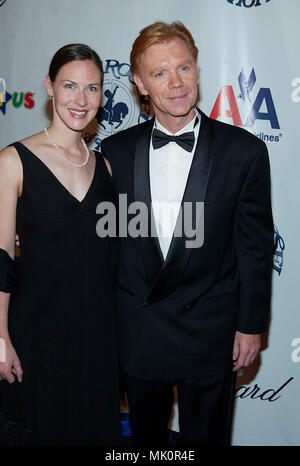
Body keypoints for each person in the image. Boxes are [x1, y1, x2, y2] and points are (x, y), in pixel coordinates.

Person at [101, 21, 274, 446]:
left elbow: (254, 248)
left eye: (183, 68)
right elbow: (105, 241)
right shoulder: (114, 152)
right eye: (159, 73)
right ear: (140, 83)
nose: (175, 83)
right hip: (140, 329)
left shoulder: (245, 151)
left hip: (211, 330)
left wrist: (251, 326)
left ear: (197, 70)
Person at [0, 44, 121, 446]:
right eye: (70, 85)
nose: (81, 100)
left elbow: (112, 252)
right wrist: (0, 336)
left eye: (92, 88)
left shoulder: (105, 166)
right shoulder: (13, 161)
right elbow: (1, 256)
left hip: (98, 341)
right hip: (36, 334)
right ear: (49, 87)